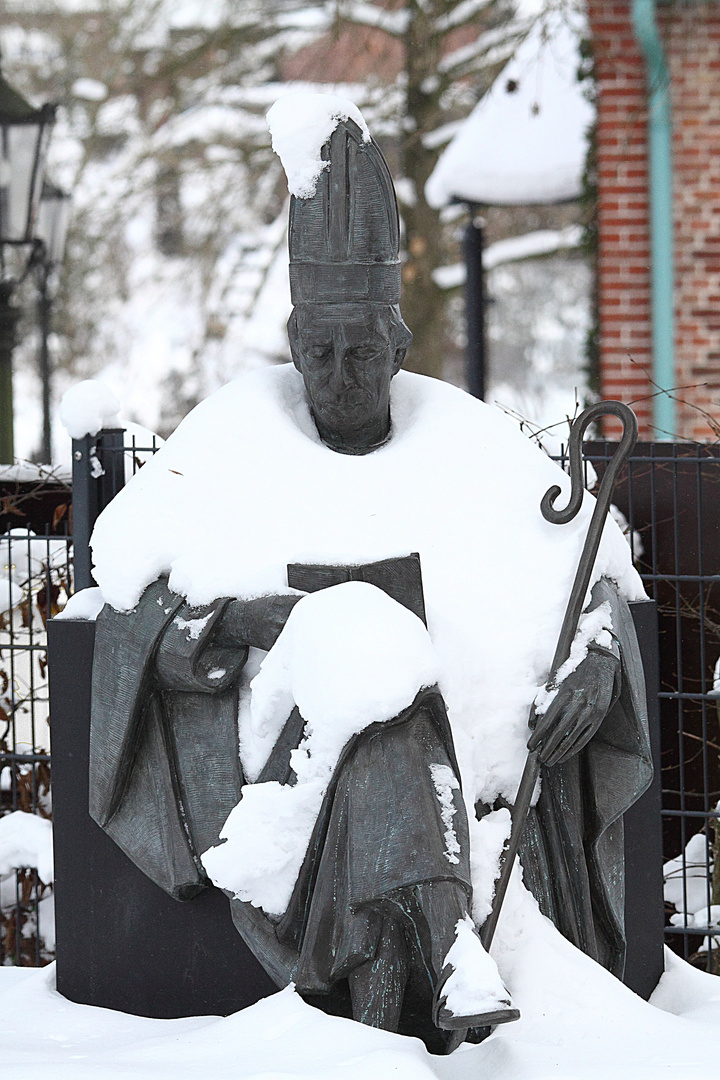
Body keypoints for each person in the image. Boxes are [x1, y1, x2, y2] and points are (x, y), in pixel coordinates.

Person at [89, 102, 652, 1055]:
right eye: (320, 351)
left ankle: (429, 951)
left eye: (361, 351)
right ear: (294, 342)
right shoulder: (225, 454)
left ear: (398, 345)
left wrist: (599, 665)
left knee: (394, 703)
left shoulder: (475, 450)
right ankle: (448, 947)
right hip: (291, 799)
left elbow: (590, 592)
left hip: (454, 784)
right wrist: (242, 622)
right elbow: (129, 619)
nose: (341, 374)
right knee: (382, 689)